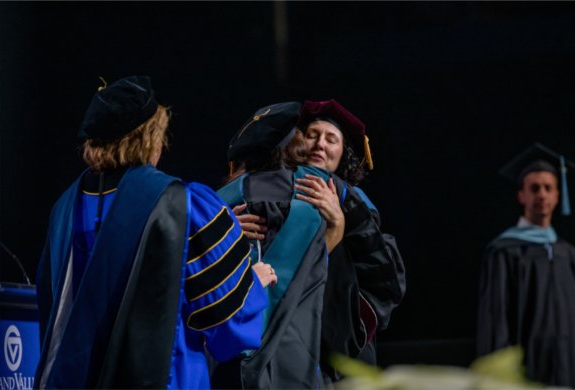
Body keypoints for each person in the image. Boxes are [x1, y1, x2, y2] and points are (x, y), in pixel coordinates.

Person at [34, 76, 276, 389]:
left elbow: (49, 308)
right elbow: (227, 326)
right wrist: (253, 281)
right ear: (150, 138)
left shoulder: (65, 207)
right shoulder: (181, 203)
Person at [230, 99, 406, 384]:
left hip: (333, 340)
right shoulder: (258, 193)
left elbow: (385, 281)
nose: (320, 144)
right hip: (270, 336)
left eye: (331, 139)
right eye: (311, 135)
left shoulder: (358, 205)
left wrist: (342, 220)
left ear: (344, 154)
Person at [213, 101, 337, 389]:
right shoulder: (321, 195)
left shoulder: (218, 203)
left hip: (231, 351)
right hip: (299, 352)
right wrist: (338, 225)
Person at [476, 142, 575, 388]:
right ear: (522, 195)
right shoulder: (504, 251)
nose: (542, 194)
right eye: (535, 188)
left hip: (569, 372)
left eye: (548, 188)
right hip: (524, 377)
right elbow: (496, 323)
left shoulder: (568, 254)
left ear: (557, 195)